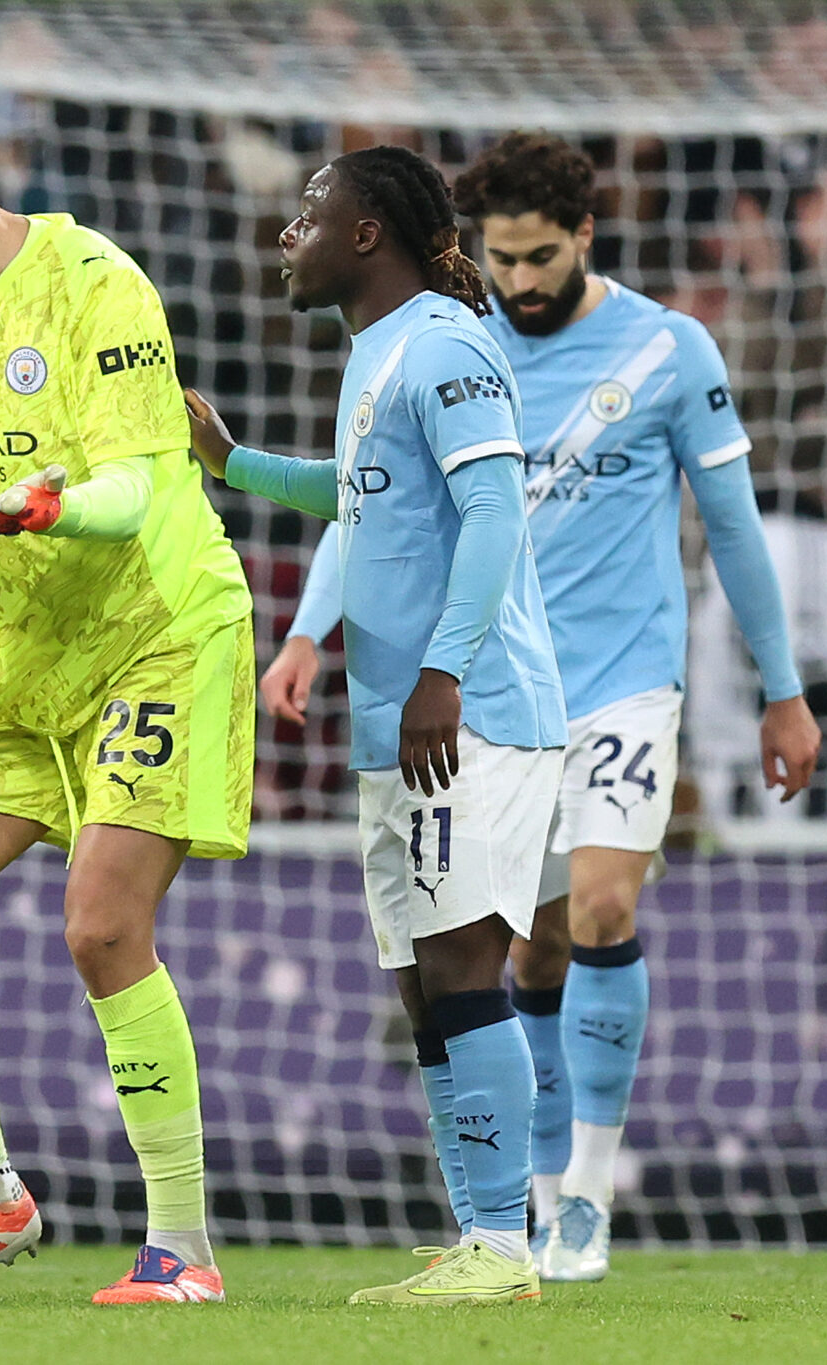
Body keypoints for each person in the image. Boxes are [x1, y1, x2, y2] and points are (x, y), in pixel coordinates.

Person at [259, 132, 821, 1281]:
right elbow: (375, 502)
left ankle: (576, 1206)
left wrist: (783, 690)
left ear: (584, 239)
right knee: (517, 956)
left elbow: (733, 529)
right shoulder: (439, 344)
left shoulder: (667, 349)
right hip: (473, 682)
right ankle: (513, 1206)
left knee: (595, 913)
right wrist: (311, 628)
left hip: (600, 681)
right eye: (499, 258)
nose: (518, 281)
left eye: (537, 257)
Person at [0, 70, 255, 1306]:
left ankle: (181, 1247)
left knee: (98, 924)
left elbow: (142, 488)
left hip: (155, 636)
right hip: (17, 673)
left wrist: (49, 506)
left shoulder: (94, 283)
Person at [187, 144, 563, 1305]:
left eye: (309, 213)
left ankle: (502, 1245)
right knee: (418, 984)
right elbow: (360, 498)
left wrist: (442, 674)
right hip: (394, 723)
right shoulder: (374, 355)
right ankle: (475, 1232)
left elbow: (494, 510)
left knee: (461, 963)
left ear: (367, 234)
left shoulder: (445, 345)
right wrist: (234, 464)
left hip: (470, 714)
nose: (286, 234)